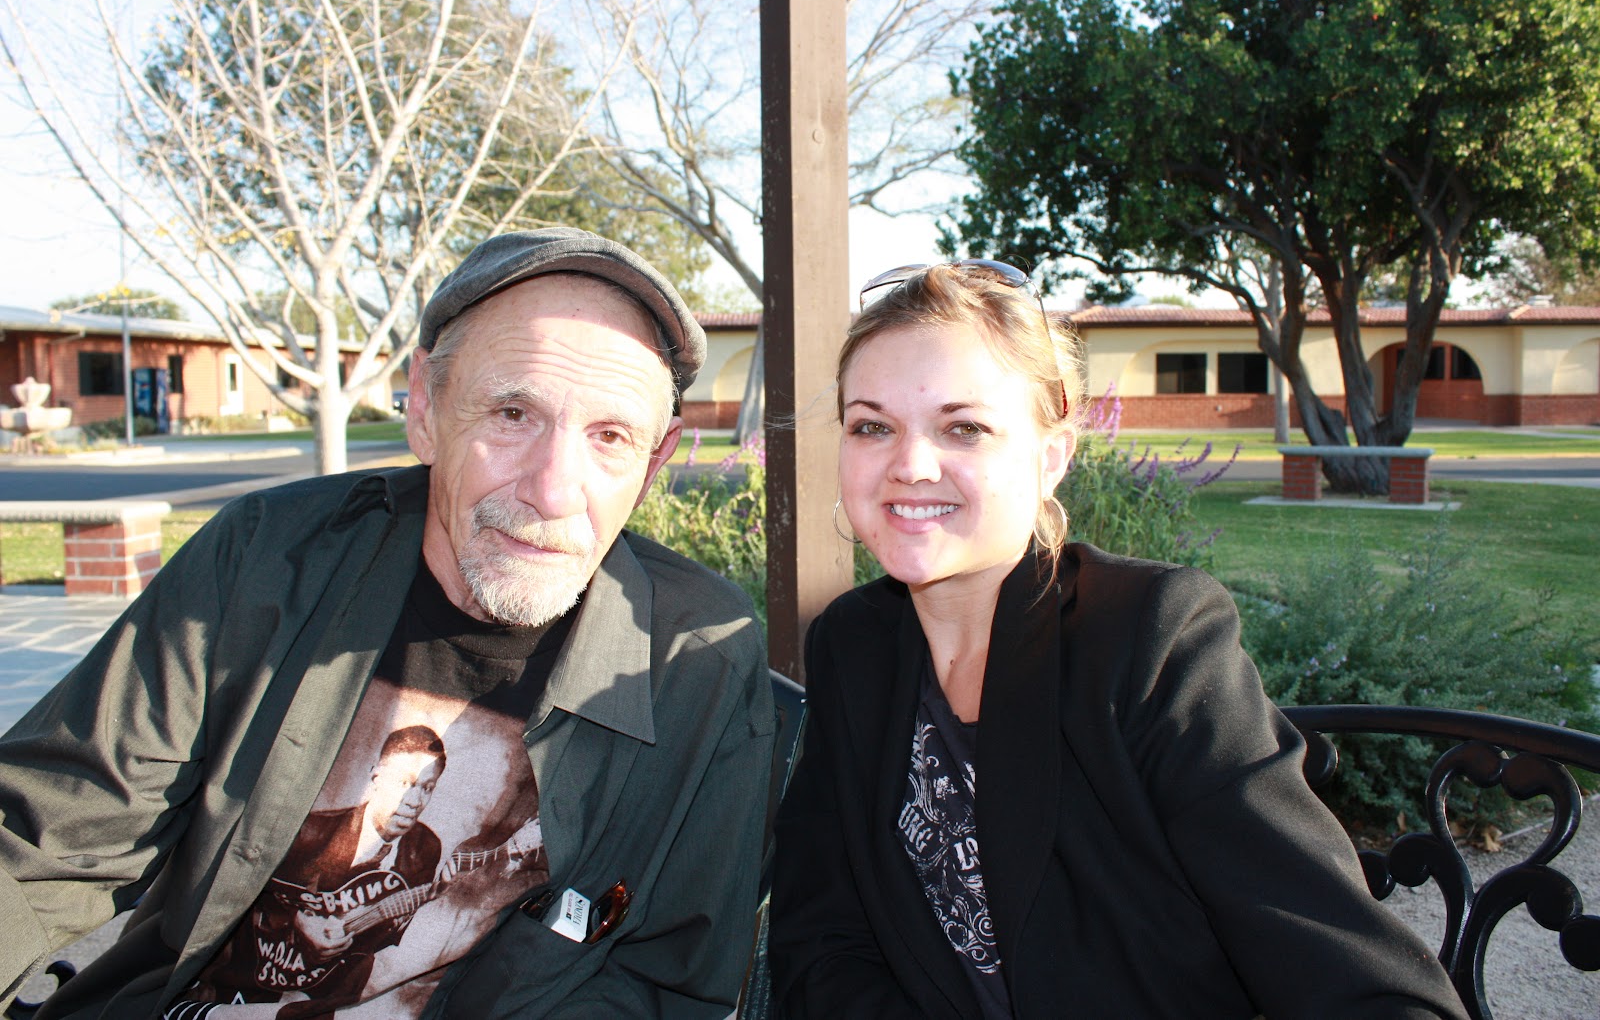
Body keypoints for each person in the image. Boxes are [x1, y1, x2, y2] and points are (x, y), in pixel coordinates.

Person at [0, 228, 774, 1019]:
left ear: (652, 464)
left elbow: (667, 976)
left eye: (610, 437)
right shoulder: (267, 563)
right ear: (425, 409)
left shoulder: (696, 657)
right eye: (512, 412)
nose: (553, 488)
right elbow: (47, 835)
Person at [768, 261, 1469, 1019]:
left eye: (963, 426)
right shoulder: (854, 645)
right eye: (873, 425)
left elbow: (1359, 979)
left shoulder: (1150, 639)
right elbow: (822, 940)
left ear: (1051, 456)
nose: (908, 465)